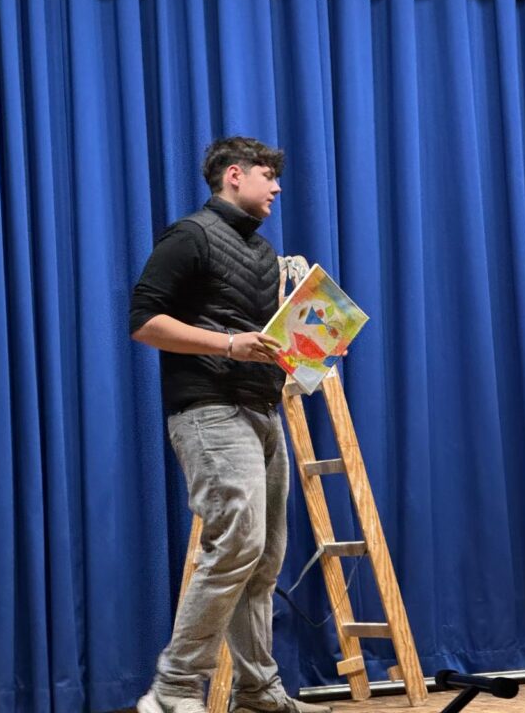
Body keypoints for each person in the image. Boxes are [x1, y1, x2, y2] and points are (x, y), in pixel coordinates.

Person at [130, 137, 330, 713]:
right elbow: (143, 321)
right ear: (234, 175)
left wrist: (307, 347)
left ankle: (259, 691)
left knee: (264, 561)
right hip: (210, 409)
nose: (278, 188)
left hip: (263, 410)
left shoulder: (264, 253)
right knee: (237, 543)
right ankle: (172, 689)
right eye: (268, 176)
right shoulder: (189, 236)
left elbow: (260, 338)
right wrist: (228, 344)